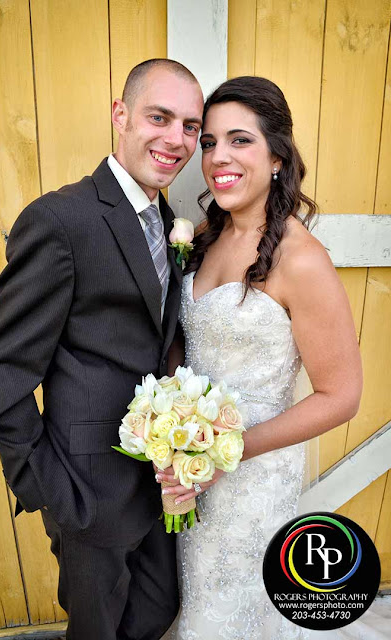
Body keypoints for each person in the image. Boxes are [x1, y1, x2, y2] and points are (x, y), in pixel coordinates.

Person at [0, 59, 204, 640]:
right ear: (120, 116)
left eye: (190, 127)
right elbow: (2, 373)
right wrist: (52, 491)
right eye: (160, 117)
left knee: (156, 609)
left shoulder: (170, 221)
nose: (176, 139)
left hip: (155, 484)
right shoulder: (61, 220)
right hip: (85, 489)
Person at [158, 76, 363, 639]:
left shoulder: (302, 260)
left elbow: (341, 397)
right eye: (209, 142)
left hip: (252, 478)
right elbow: (187, 341)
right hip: (189, 468)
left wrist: (226, 450)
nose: (217, 157)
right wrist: (169, 427)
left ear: (277, 155)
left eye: (240, 141)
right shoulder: (203, 236)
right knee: (197, 598)